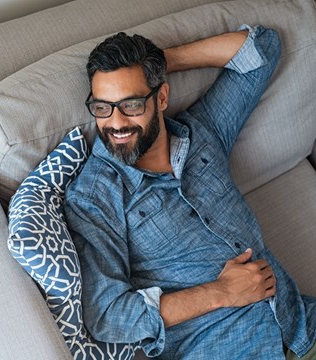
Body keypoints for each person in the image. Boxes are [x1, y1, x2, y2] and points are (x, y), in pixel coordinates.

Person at [64, 25, 316, 359]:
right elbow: (108, 316)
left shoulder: (203, 132)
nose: (116, 123)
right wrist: (220, 292)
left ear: (162, 97)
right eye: (102, 107)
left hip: (303, 327)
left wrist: (159, 61)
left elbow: (261, 50)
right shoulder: (94, 197)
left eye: (132, 104)